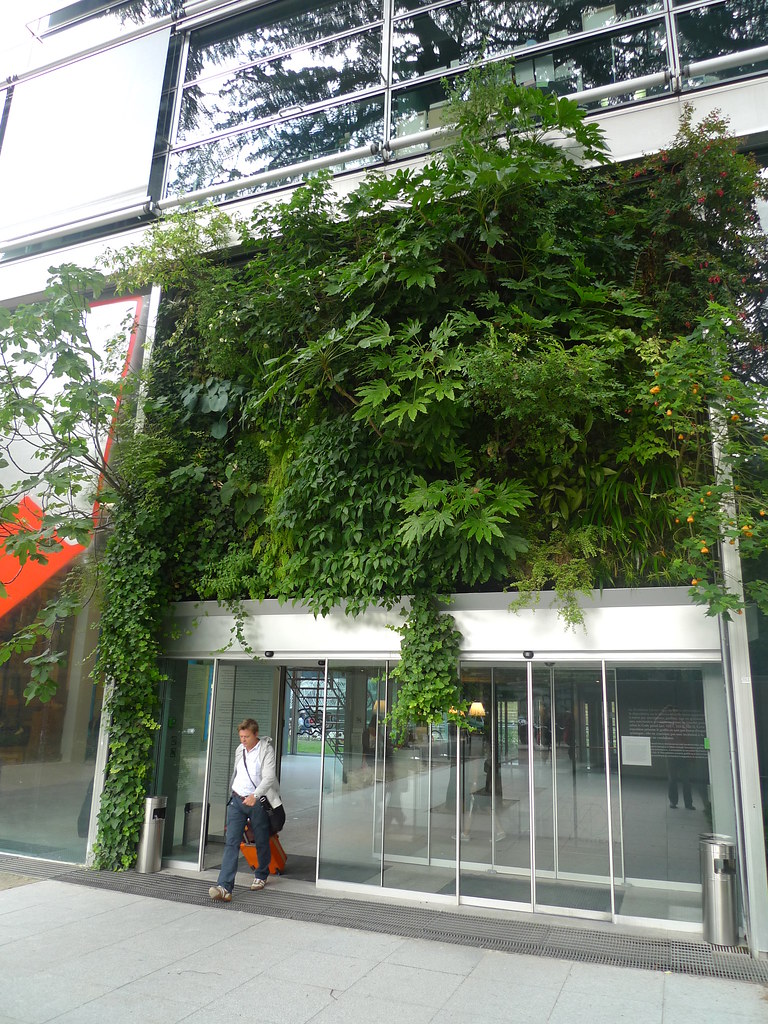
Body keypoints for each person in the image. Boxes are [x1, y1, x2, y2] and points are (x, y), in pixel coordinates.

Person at [209, 717, 282, 902]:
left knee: (261, 838)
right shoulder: (239, 750)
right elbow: (237, 772)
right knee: (232, 842)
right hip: (237, 800)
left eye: (246, 736)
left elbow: (269, 777)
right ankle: (224, 887)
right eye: (241, 736)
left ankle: (261, 874)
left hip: (257, 801)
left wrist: (255, 796)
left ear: (255, 734)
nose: (243, 740)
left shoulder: (266, 750)